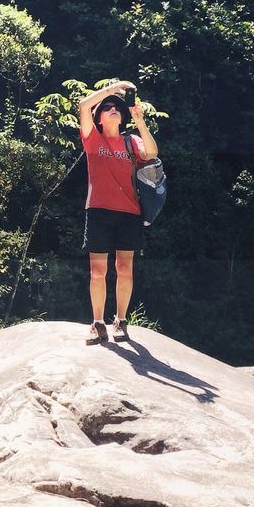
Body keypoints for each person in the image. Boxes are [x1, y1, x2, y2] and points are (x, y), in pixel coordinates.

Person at [77, 80, 158, 345]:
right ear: (99, 118)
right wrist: (112, 89)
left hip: (129, 212)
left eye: (116, 108)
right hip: (98, 210)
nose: (113, 109)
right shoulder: (92, 139)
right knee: (98, 271)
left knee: (124, 268)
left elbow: (152, 152)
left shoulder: (131, 141)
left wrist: (139, 119)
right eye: (108, 108)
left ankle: (120, 321)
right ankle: (97, 323)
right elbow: (83, 105)